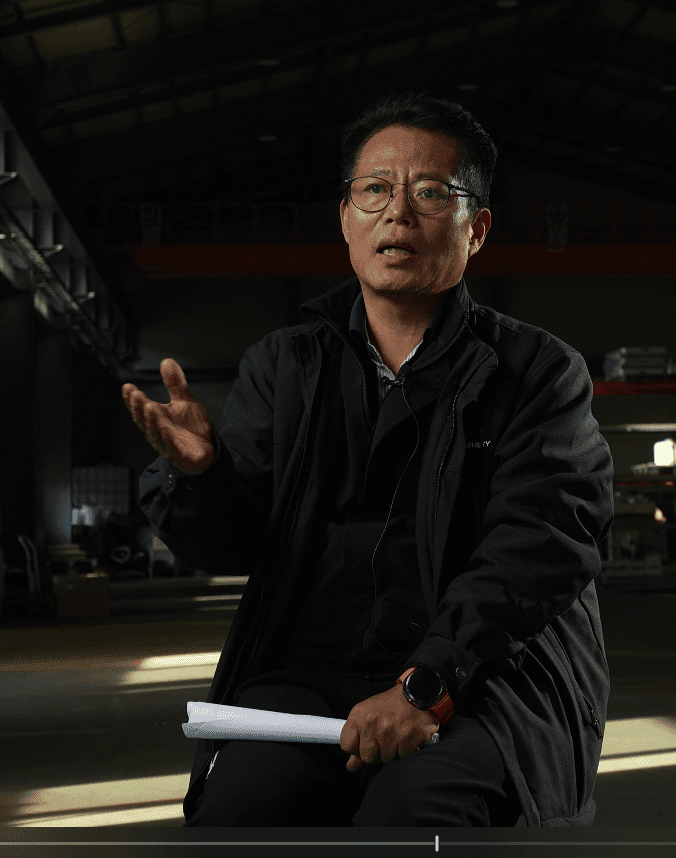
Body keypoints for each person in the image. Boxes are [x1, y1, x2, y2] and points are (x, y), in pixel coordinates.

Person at [121, 91, 613, 827]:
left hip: (484, 674)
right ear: (345, 218)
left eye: (430, 193)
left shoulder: (536, 371)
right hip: (306, 675)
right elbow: (230, 542)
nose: (398, 213)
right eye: (375, 190)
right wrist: (201, 476)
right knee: (240, 812)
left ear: (475, 230)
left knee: (415, 816)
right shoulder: (284, 366)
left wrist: (427, 684)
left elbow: (540, 544)